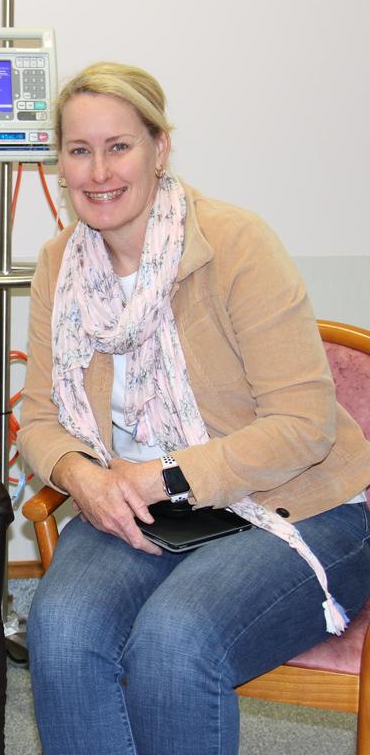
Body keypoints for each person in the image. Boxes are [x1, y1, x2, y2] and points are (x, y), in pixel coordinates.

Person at [18, 62, 370, 755]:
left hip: (297, 500)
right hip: (140, 499)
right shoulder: (60, 265)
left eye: (119, 146)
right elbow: (39, 418)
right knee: (58, 628)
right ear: (60, 160)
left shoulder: (237, 243)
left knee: (176, 640)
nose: (98, 172)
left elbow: (306, 425)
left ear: (160, 148)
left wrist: (162, 476)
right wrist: (81, 477)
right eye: (79, 150)